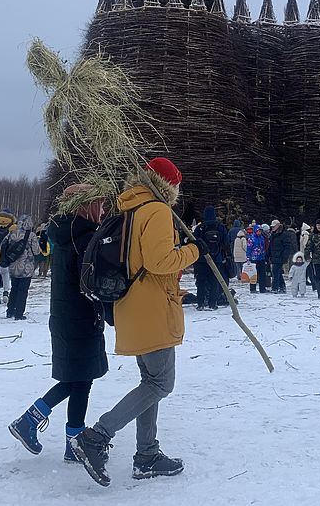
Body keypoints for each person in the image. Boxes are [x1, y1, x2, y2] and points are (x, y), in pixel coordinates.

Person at [70, 157, 204, 487]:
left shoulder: (130, 208)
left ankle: (147, 455)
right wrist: (193, 251)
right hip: (153, 312)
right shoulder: (157, 211)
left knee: (150, 384)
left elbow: (143, 263)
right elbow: (160, 262)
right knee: (160, 384)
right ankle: (97, 436)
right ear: (168, 185)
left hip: (133, 309)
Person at [10, 184, 108, 463]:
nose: (102, 211)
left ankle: (44, 427)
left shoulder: (65, 232)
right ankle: (60, 435)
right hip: (80, 317)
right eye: (99, 205)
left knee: (76, 379)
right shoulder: (85, 237)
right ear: (86, 206)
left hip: (65, 316)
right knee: (81, 380)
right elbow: (89, 282)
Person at [5, 215, 40, 320]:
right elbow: (36, 251)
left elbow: (4, 245)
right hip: (26, 267)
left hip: (13, 266)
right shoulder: (31, 235)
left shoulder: (11, 233)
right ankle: (19, 313)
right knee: (23, 290)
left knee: (14, 288)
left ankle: (10, 311)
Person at [193, 206, 227, 310]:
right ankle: (213, 303)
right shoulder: (220, 226)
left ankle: (200, 303)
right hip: (216, 258)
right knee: (215, 281)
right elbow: (225, 243)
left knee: (201, 282)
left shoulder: (200, 227)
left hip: (202, 259)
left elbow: (194, 242)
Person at [246, 223, 269, 294]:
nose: (259, 232)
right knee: (253, 274)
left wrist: (264, 255)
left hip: (261, 258)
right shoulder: (251, 238)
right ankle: (252, 288)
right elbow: (249, 248)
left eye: (260, 231)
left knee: (262, 273)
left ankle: (262, 288)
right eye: (258, 231)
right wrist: (248, 257)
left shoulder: (262, 238)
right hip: (254, 258)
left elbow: (264, 247)